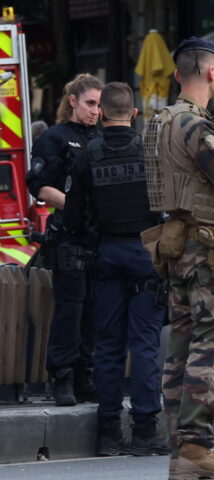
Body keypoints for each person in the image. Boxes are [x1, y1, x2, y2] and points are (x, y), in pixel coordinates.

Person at [142, 37, 214, 478]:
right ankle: (196, 446)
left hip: (178, 243)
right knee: (212, 343)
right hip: (209, 248)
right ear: (213, 73)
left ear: (176, 75)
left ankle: (181, 452)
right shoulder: (195, 125)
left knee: (182, 347)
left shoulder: (160, 121)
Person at [64, 82, 169, 457]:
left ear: (103, 114)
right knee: (144, 345)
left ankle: (109, 431)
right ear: (135, 114)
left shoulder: (87, 156)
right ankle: (145, 431)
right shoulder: (150, 152)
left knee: (107, 347)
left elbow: (74, 216)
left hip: (105, 256)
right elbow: (167, 206)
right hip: (146, 256)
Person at [25, 73, 103, 406]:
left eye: (99, 105)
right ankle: (63, 378)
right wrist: (77, 206)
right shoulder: (55, 138)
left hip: (99, 236)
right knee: (70, 309)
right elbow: (40, 186)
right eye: (90, 103)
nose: (95, 111)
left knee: (94, 310)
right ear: (73, 101)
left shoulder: (103, 137)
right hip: (70, 235)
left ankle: (85, 375)